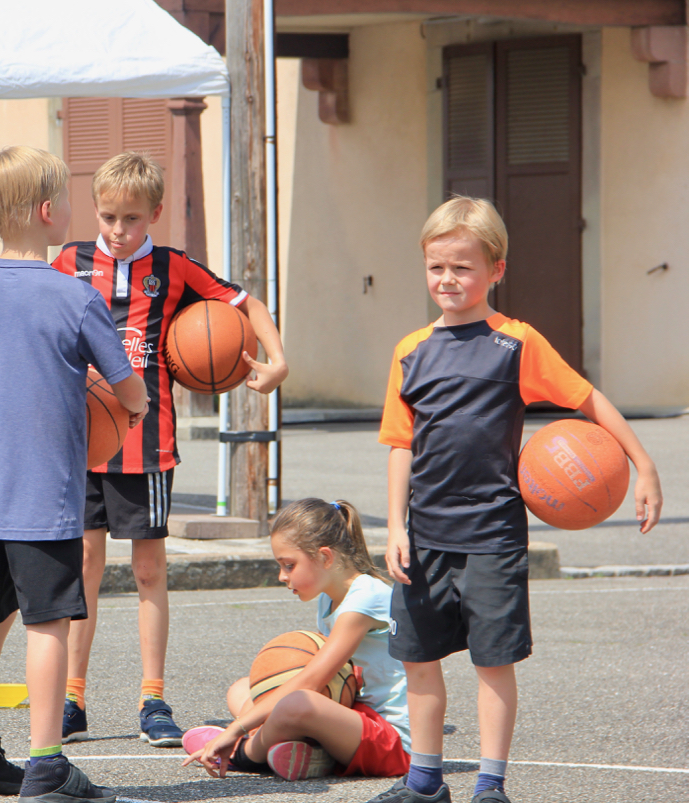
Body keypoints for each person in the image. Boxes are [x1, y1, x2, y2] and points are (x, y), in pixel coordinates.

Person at [362, 196, 663, 803]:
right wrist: (394, 525)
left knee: (492, 662)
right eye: (436, 267)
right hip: (424, 535)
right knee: (418, 659)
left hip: (493, 535)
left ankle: (490, 785)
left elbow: (588, 398)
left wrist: (644, 464)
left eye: (462, 267)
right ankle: (425, 782)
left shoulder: (517, 343)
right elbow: (400, 444)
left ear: (496, 269)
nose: (447, 279)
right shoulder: (410, 350)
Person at [50, 151, 287, 747]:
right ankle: (72, 699)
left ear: (154, 214)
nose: (118, 229)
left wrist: (278, 360)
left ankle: (153, 699)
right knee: (84, 567)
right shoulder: (68, 263)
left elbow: (248, 304)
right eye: (108, 217)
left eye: (131, 218)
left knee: (149, 570)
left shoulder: (173, 267)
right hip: (79, 441)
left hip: (146, 443)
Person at [0, 147, 148, 803]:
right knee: (49, 626)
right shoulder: (75, 297)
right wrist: (138, 405)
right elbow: (124, 385)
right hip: (44, 496)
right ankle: (47, 765)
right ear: (48, 210)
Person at [181, 497, 410, 781]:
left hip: (390, 741)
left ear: (325, 557)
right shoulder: (328, 598)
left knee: (297, 702)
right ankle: (312, 753)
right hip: (351, 714)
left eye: (289, 565)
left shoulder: (366, 599)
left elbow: (311, 681)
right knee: (242, 689)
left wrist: (235, 729)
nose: (281, 576)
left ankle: (247, 753)